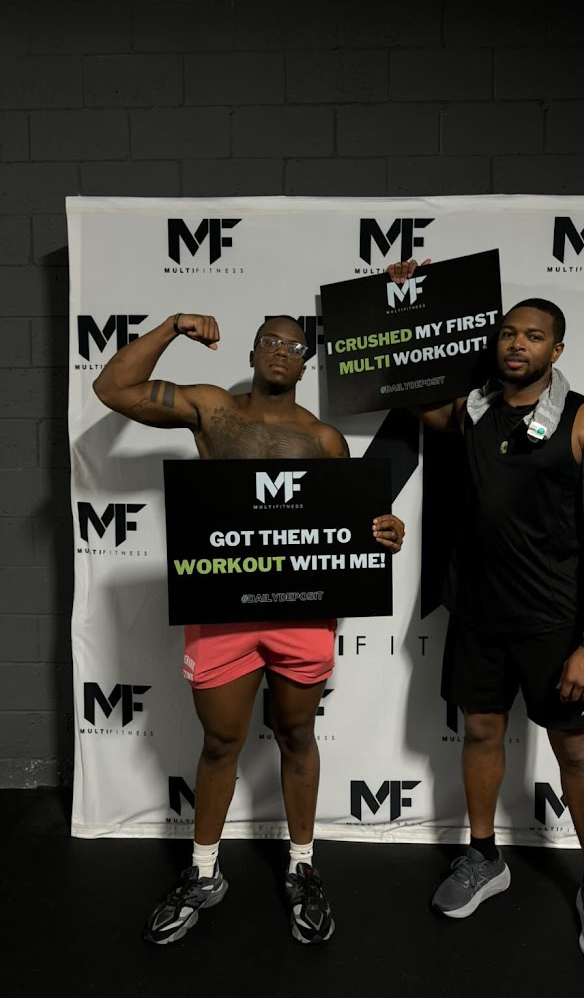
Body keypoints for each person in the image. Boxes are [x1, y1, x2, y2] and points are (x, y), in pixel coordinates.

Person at [93, 312, 405, 946]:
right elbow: (113, 389)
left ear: (307, 363)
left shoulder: (324, 440)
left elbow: (356, 523)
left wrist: (386, 530)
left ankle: (302, 866)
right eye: (270, 341)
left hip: (302, 612)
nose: (281, 351)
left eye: (294, 345)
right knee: (220, 743)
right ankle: (203, 872)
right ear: (253, 351)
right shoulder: (213, 409)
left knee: (297, 735)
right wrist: (173, 327)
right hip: (222, 606)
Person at [387, 260, 584, 964]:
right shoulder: (470, 411)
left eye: (533, 336)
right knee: (481, 734)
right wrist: (406, 302)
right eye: (506, 333)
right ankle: (484, 857)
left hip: (555, 624)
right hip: (477, 616)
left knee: (575, 750)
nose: (515, 343)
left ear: (556, 349)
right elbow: (403, 386)